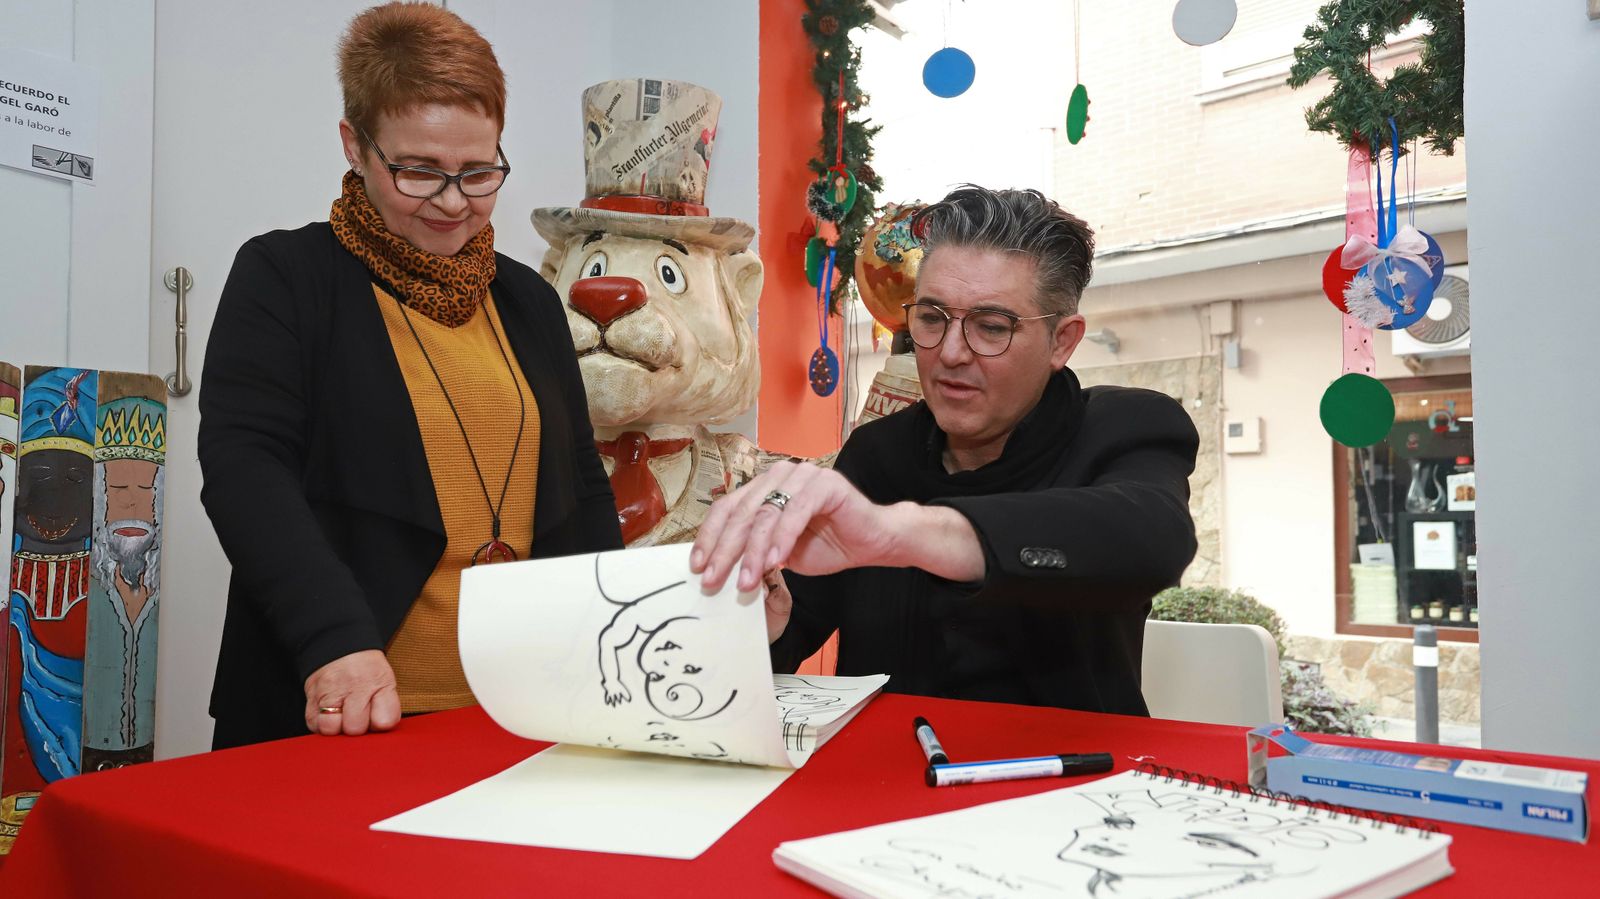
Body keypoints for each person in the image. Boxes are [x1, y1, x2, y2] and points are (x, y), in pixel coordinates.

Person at [199, 2, 621, 749]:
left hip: (517, 714)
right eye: (419, 171)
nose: (454, 203)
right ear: (356, 147)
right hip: (345, 708)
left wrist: (617, 638)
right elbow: (245, 470)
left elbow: (580, 487)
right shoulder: (285, 276)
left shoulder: (527, 300)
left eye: (479, 171)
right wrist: (332, 638)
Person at [693, 186, 1198, 715]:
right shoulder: (879, 453)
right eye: (932, 318)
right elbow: (789, 630)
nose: (950, 354)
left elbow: (1153, 538)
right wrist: (757, 622)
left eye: (992, 327)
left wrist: (897, 534)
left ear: (1062, 342)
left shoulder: (1126, 426)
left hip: (1072, 783)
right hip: (884, 783)